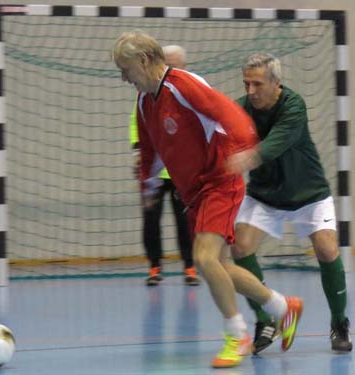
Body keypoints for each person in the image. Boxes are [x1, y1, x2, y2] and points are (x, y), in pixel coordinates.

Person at [112, 30, 303, 369]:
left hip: (220, 181)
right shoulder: (144, 102)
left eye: (125, 69)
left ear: (143, 61)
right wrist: (148, 186)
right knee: (222, 264)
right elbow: (150, 151)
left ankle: (236, 335)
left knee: (203, 258)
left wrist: (245, 150)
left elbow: (229, 113)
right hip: (193, 192)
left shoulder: (182, 85)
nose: (123, 77)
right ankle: (282, 307)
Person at [229, 52, 352, 354]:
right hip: (264, 194)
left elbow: (275, 144)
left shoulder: (294, 106)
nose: (250, 91)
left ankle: (339, 322)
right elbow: (218, 131)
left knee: (327, 249)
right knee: (240, 247)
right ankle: (264, 320)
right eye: (246, 84)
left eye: (257, 84)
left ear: (276, 82)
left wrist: (246, 157)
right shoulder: (240, 108)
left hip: (308, 194)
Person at [129, 45, 199, 286]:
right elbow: (137, 124)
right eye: (167, 64)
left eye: (175, 65)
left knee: (185, 222)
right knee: (151, 218)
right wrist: (140, 153)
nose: (170, 70)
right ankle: (154, 266)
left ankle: (190, 267)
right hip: (156, 171)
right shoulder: (148, 95)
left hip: (182, 172)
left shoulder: (191, 93)